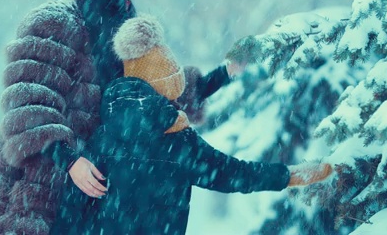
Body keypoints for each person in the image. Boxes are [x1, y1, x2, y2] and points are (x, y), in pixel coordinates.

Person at [0, 0, 241, 235]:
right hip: (40, 192)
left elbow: (156, 97)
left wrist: (224, 74)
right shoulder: (52, 25)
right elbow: (29, 107)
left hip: (97, 196)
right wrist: (70, 161)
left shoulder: (125, 33)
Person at [54, 15, 334, 234]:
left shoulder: (105, 131)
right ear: (168, 89)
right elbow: (233, 174)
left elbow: (73, 207)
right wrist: (290, 175)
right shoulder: (177, 140)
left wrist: (224, 73)